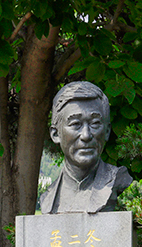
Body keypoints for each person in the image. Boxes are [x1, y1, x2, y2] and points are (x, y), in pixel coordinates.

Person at [39, 81, 132, 214]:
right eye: (75, 124)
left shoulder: (119, 179)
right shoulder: (48, 197)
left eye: (95, 123)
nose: (86, 135)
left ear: (107, 131)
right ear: (55, 134)